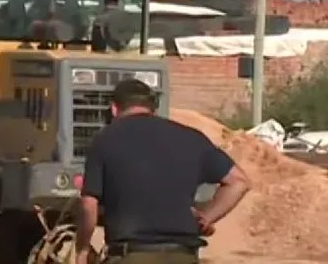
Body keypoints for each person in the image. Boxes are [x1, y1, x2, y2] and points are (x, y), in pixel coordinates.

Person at [75, 79, 251, 264]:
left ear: (114, 109)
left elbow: (89, 205)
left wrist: (83, 248)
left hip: (132, 255)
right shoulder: (190, 137)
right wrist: (207, 217)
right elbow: (239, 181)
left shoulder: (105, 139)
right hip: (184, 255)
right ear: (153, 109)